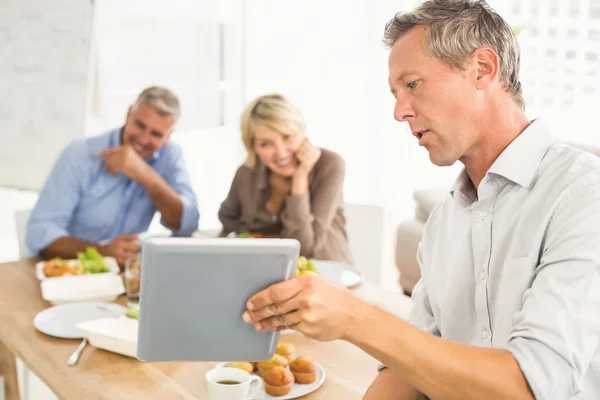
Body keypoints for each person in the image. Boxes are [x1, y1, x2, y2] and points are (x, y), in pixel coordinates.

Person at [241, 1, 600, 399]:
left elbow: (530, 387)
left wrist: (354, 318)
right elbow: (407, 373)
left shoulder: (583, 195)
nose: (398, 111)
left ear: (483, 68)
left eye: (412, 84)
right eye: (395, 93)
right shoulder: (445, 221)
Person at [27, 86, 199, 266]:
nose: (143, 138)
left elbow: (188, 225)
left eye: (156, 134)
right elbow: (40, 233)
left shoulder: (170, 156)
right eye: (140, 125)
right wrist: (100, 252)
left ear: (168, 136)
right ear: (128, 115)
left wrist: (145, 174)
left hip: (124, 277)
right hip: (70, 271)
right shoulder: (80, 154)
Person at [218, 93, 352, 263]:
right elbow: (227, 217)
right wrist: (258, 237)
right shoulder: (246, 173)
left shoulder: (330, 165)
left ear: (301, 132)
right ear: (253, 147)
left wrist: (301, 176)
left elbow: (305, 248)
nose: (281, 153)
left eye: (287, 137)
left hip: (326, 274)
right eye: (265, 144)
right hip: (266, 272)